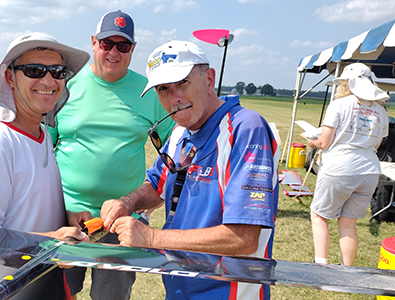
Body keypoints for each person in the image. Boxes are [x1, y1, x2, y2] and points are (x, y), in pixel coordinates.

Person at [100, 40, 280, 300]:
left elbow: (244, 238)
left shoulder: (245, 128)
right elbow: (157, 184)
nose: (175, 98)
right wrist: (127, 202)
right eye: (163, 89)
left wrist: (150, 238)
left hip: (227, 292)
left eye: (182, 82)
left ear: (209, 79)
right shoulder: (180, 133)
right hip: (180, 286)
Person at [0, 32, 92, 300]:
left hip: (43, 284)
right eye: (34, 70)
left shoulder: (40, 136)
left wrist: (66, 218)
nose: (49, 80)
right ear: (9, 77)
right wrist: (50, 242)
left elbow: (26, 208)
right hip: (2, 292)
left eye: (58, 71)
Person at [48, 10, 174, 300]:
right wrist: (59, 207)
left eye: (123, 46)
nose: (114, 52)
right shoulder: (65, 87)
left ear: (132, 49)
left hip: (122, 220)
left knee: (111, 297)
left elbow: (173, 150)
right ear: (94, 43)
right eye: (107, 43)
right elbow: (44, 150)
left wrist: (149, 197)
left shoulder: (149, 93)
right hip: (65, 216)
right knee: (58, 291)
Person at [308, 63, 389, 266]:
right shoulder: (381, 110)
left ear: (346, 83)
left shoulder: (339, 105)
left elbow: (324, 142)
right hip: (369, 170)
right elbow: (377, 144)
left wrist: (312, 142)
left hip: (340, 167)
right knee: (348, 223)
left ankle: (321, 265)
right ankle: (347, 269)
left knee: (319, 216)